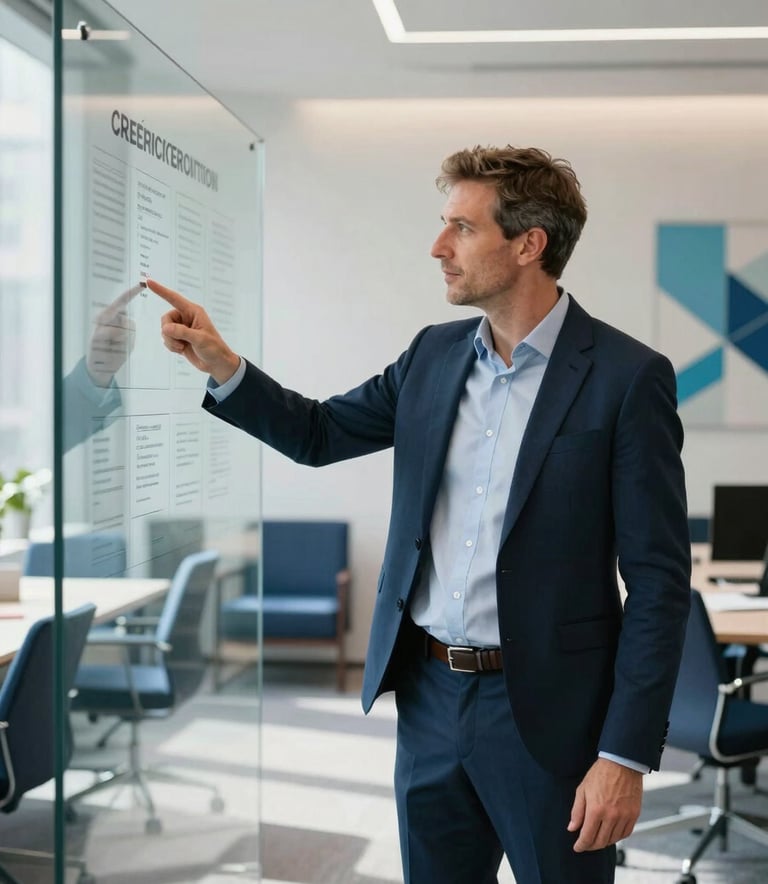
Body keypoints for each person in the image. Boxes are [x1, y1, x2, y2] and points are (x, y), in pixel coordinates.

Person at [146, 145, 692, 884]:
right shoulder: (431, 358)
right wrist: (223, 365)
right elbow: (317, 433)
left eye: (462, 229)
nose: (438, 247)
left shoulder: (627, 379)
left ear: (529, 245)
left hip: (554, 717)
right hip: (431, 699)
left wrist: (622, 755)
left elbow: (658, 582)